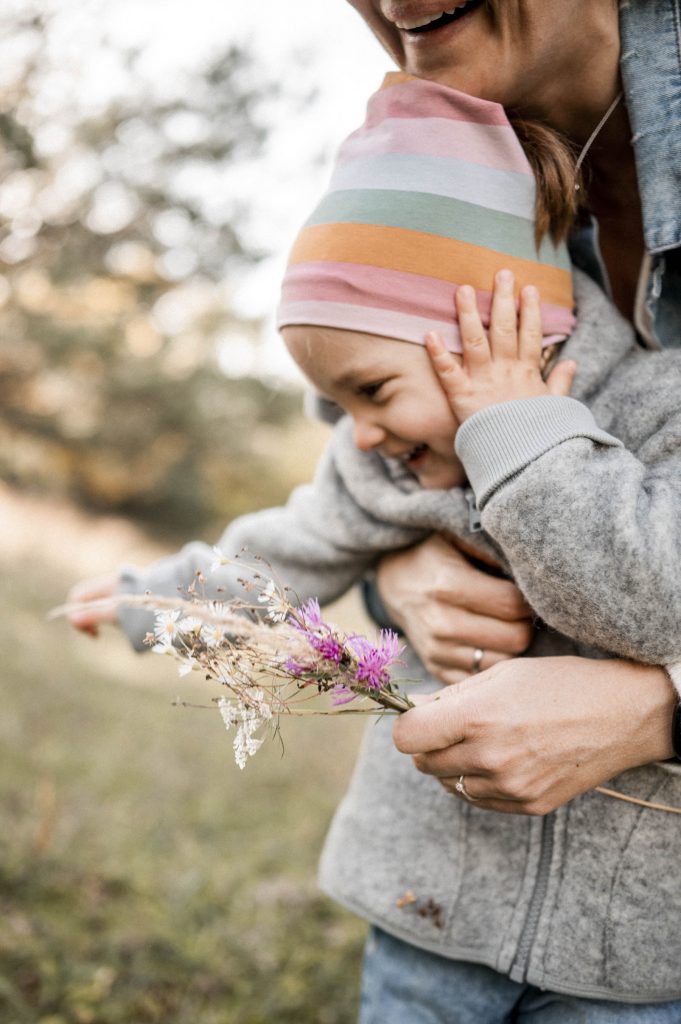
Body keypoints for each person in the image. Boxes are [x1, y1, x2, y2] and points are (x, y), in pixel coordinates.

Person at [67, 75, 681, 1017]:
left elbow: (650, 601)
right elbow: (279, 560)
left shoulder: (654, 416)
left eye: (371, 390)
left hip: (626, 955)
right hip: (424, 904)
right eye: (337, 403)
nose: (354, 434)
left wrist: (518, 430)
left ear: (494, 328)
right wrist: (154, 600)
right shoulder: (387, 469)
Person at [342, 0, 681, 815]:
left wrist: (661, 712)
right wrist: (402, 577)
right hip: (427, 901)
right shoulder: (409, 180)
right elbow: (361, 483)